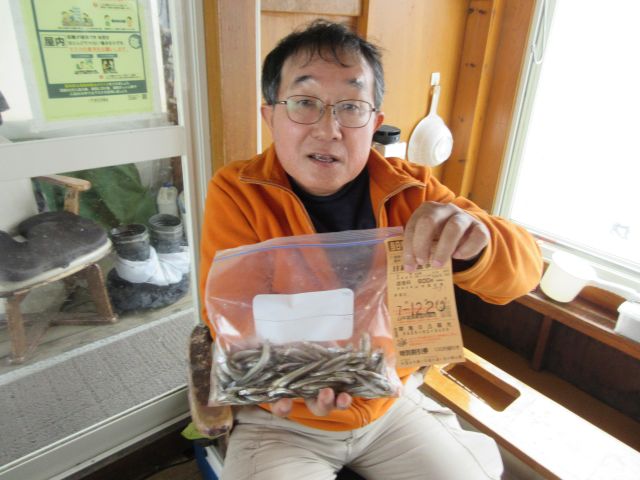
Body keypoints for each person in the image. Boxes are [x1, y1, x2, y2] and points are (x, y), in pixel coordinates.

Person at [199, 20, 542, 480]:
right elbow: (233, 316)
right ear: (270, 116)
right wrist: (301, 375)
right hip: (283, 416)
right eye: (304, 103)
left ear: (374, 123)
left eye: (351, 107)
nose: (329, 129)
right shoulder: (238, 191)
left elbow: (524, 273)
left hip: (390, 406)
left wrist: (478, 244)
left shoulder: (413, 192)